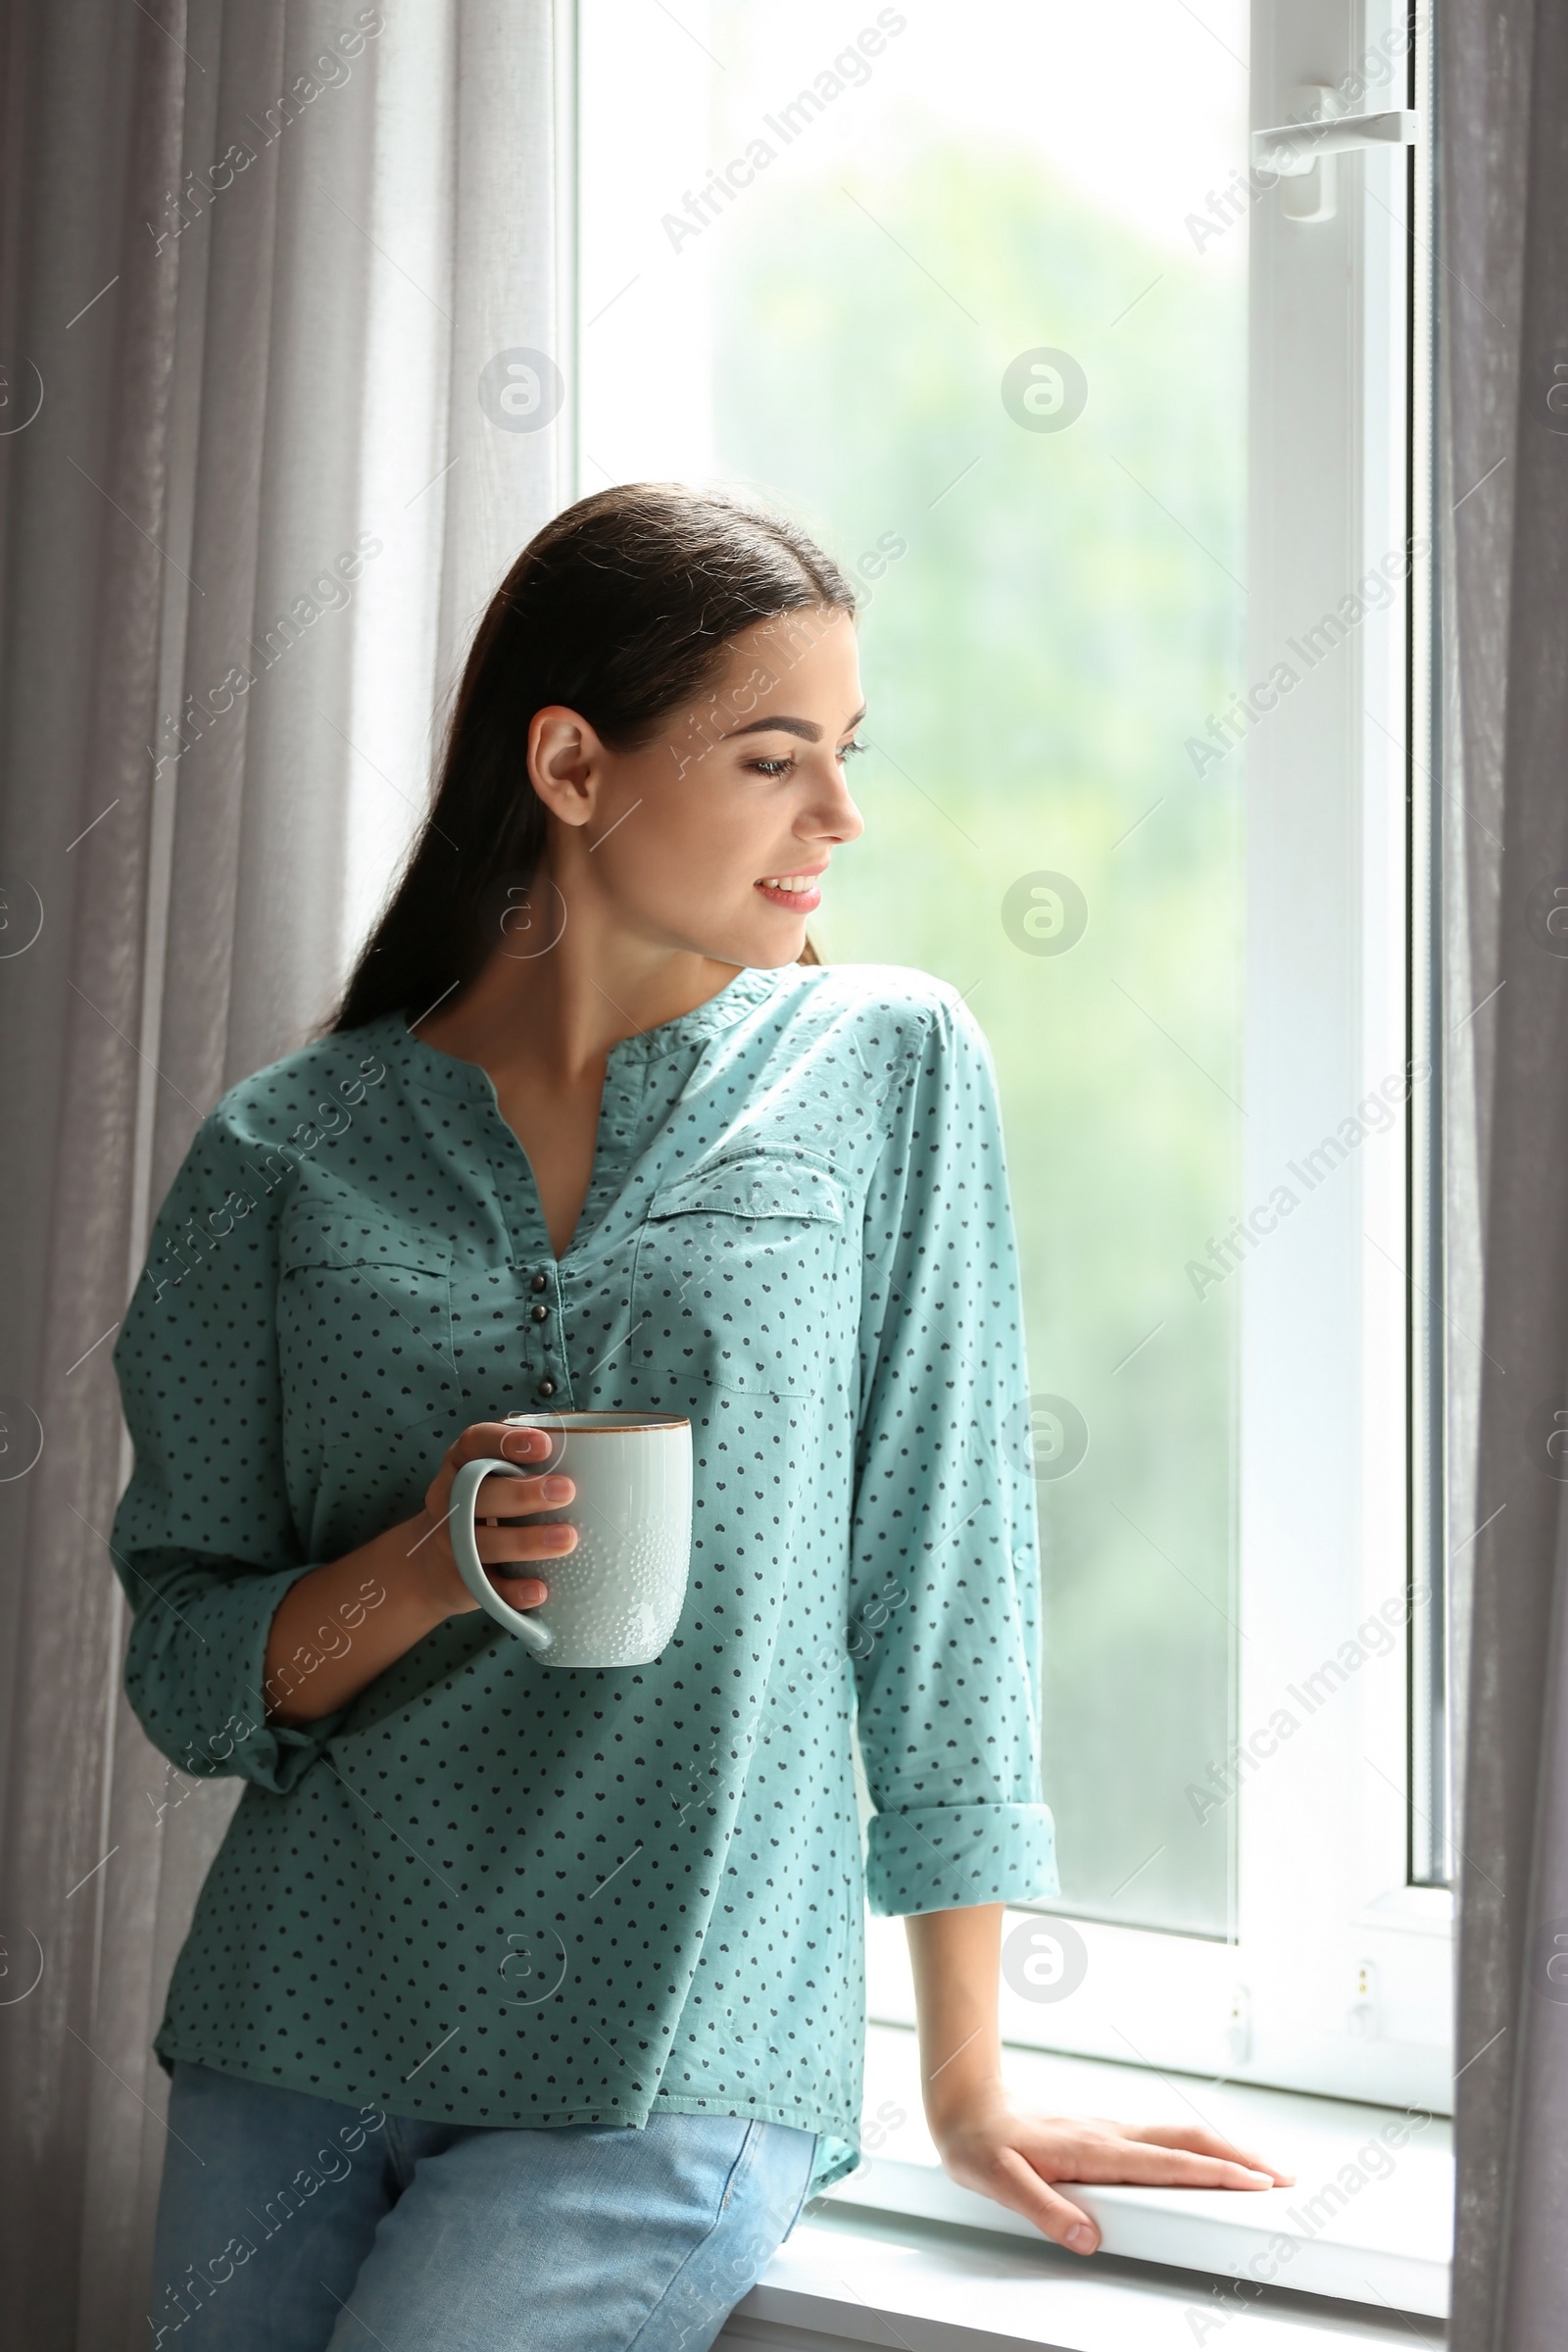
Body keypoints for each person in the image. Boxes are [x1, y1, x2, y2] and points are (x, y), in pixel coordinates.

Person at [112, 485, 1288, 2352]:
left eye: (846, 754)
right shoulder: (281, 1152)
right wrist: (423, 1573)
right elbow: (184, 1660)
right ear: (574, 767)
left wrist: (970, 2083)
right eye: (773, 758)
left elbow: (942, 1579)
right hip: (297, 2022)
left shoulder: (883, 1067)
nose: (840, 816)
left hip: (673, 2044)